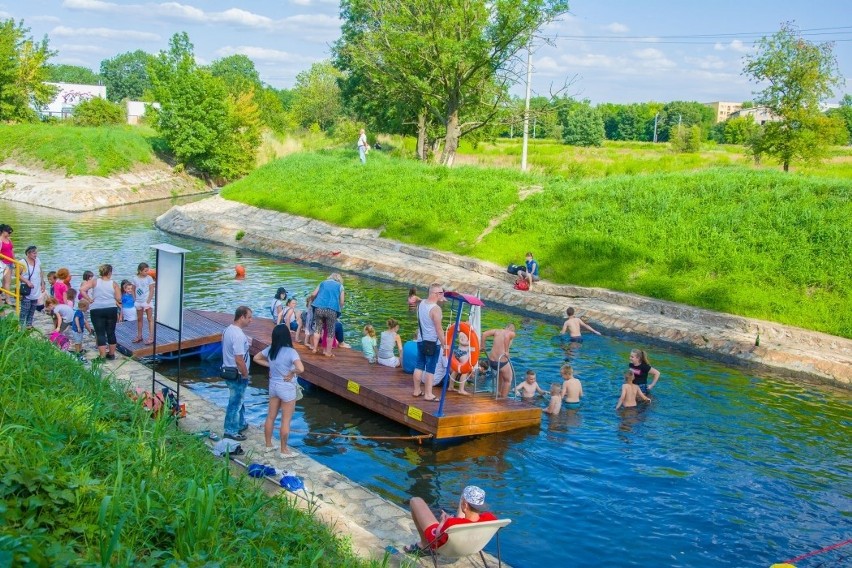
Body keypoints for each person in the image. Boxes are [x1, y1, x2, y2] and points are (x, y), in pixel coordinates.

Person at [253, 323, 304, 458]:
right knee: (285, 421)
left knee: (270, 417)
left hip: (273, 387)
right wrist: (292, 371)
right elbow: (301, 368)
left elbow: (256, 358)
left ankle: (268, 445)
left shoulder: (271, 349)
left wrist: (270, 365)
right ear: (287, 336)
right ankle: (284, 450)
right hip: (286, 387)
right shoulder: (291, 351)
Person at [404, 485, 497, 555]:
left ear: (465, 505)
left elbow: (437, 537)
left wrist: (443, 521)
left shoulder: (452, 523)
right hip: (471, 546)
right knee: (465, 492)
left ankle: (424, 545)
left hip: (444, 546)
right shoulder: (491, 518)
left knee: (416, 501)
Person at [222, 306, 253, 441]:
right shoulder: (238, 335)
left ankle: (240, 423)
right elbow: (239, 359)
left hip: (228, 370)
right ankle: (230, 430)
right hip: (238, 374)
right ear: (242, 317)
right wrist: (245, 373)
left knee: (239, 400)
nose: (251, 320)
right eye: (249, 317)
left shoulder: (227, 330)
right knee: (235, 402)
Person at [80, 264, 121, 360]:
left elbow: (82, 290)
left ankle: (102, 356)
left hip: (96, 309)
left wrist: (89, 299)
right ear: (110, 273)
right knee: (111, 332)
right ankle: (111, 354)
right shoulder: (114, 283)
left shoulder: (95, 282)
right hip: (111, 308)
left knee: (100, 333)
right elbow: (119, 298)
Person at [413, 283, 445, 401]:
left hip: (420, 340)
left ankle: (416, 391)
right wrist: (445, 345)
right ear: (436, 294)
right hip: (432, 342)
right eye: (441, 293)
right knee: (430, 369)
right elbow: (439, 329)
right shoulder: (436, 309)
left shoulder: (421, 304)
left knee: (419, 365)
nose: (443, 294)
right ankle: (428, 394)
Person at [309, 273, 345, 357]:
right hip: (332, 310)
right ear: (339, 279)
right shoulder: (340, 286)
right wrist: (340, 308)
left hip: (319, 307)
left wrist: (313, 301)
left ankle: (314, 348)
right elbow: (342, 301)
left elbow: (313, 294)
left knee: (318, 328)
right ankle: (328, 352)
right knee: (330, 331)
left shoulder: (323, 283)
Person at [482, 323, 516, 398]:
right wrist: (506, 351)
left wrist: (483, 346)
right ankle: (503, 399)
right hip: (501, 361)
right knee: (508, 379)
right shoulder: (511, 333)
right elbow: (507, 337)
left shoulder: (496, 331)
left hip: (491, 362)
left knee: (501, 373)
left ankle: (498, 393)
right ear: (512, 329)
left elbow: (484, 334)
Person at [18, 245, 45, 329]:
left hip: (36, 288)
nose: (35, 255)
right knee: (25, 308)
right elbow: (17, 275)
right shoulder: (22, 262)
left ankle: (29, 324)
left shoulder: (37, 260)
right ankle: (21, 325)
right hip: (27, 289)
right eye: (34, 253)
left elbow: (40, 272)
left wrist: (42, 283)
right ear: (28, 254)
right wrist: (27, 281)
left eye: (36, 253)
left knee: (33, 308)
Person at [133, 262, 155, 344]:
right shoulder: (135, 278)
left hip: (146, 301)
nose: (147, 272)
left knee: (149, 318)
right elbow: (133, 289)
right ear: (140, 271)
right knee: (139, 319)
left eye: (147, 271)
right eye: (145, 271)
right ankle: (139, 336)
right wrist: (135, 299)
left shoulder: (149, 278)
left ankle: (151, 337)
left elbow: (152, 289)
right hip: (138, 301)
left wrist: (148, 301)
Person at [448, 331, 472, 395]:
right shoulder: (467, 332)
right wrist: (470, 343)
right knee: (465, 371)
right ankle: (461, 390)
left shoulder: (461, 332)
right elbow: (463, 342)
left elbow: (460, 341)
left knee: (456, 370)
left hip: (458, 351)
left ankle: (451, 386)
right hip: (463, 353)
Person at [0, 224, 13, 304]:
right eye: (8, 232)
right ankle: (8, 299)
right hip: (3, 264)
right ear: (3, 231)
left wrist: (14, 261)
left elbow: (12, 250)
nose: (9, 233)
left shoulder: (9, 240)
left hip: (10, 262)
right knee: (6, 282)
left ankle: (5, 296)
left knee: (7, 282)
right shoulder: (0, 241)